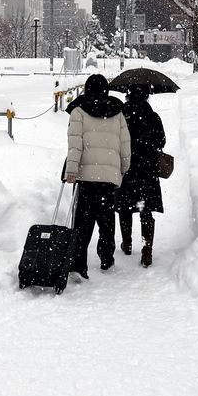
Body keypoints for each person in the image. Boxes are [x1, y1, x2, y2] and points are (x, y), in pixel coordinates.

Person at [64, 73, 130, 278]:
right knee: (106, 220)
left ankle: (78, 264)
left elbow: (75, 145)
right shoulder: (117, 112)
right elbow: (125, 145)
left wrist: (71, 171)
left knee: (83, 223)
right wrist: (123, 168)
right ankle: (106, 259)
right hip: (108, 178)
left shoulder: (79, 112)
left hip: (85, 177)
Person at [116, 84, 166, 268]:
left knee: (124, 207)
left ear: (128, 95)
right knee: (144, 208)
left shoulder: (121, 116)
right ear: (146, 97)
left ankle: (127, 243)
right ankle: (147, 249)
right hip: (147, 171)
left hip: (126, 169)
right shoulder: (152, 116)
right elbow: (162, 141)